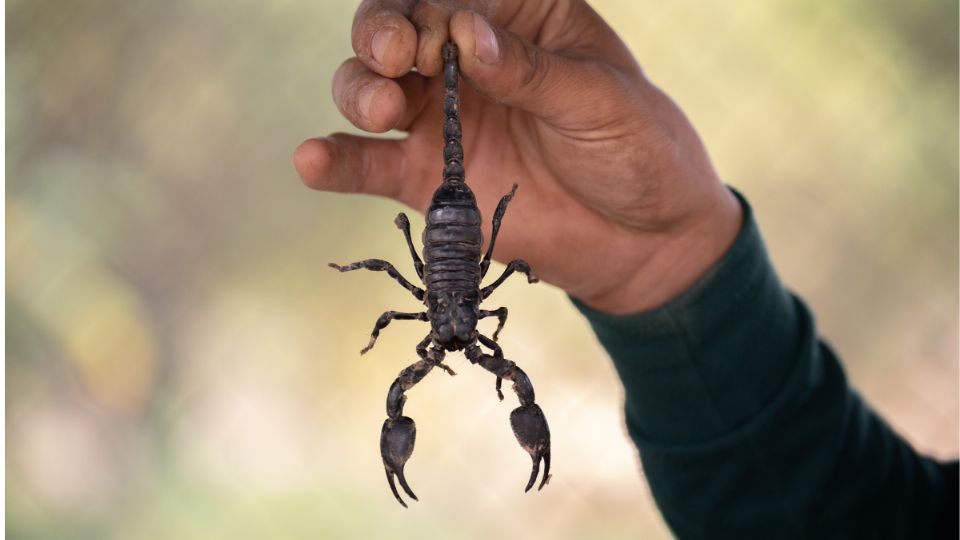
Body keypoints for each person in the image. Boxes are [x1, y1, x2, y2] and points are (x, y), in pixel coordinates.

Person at [293, 1, 958, 537]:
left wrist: (658, 269)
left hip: (449, 236)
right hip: (460, 236)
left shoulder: (441, 331)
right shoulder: (478, 323)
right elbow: (862, 517)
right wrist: (667, 267)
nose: (459, 348)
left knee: (438, 354)